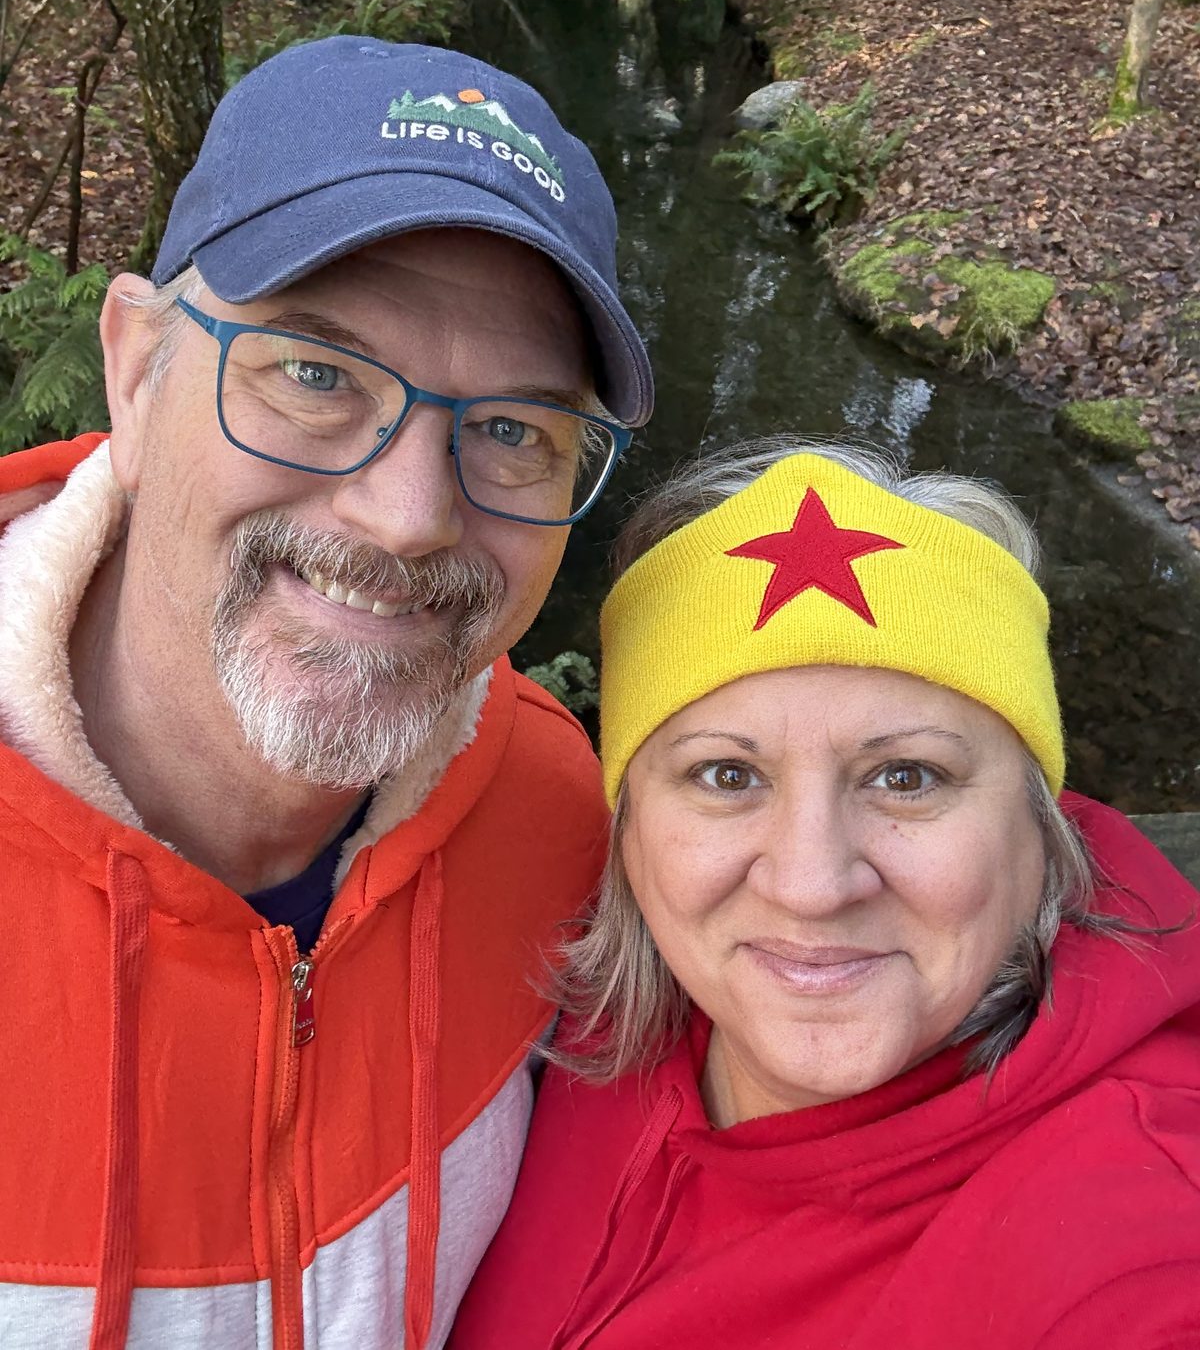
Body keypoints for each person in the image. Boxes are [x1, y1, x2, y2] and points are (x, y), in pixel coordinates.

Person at [0, 36, 654, 1350]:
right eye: (313, 372)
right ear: (136, 368)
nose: (409, 515)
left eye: (516, 428)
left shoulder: (554, 810)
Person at [450, 438, 1200, 1350]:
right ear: (629, 823)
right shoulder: (590, 1009)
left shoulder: (1124, 1243)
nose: (810, 886)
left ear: (1039, 827)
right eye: (727, 774)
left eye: (908, 776)